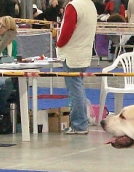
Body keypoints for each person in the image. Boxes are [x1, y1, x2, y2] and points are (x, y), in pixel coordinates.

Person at [56, 0, 98, 134]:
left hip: (72, 54)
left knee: (75, 91)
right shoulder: (91, 5)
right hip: (84, 53)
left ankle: (79, 125)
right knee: (78, 88)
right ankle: (81, 121)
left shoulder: (73, 6)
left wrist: (58, 44)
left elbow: (67, 31)